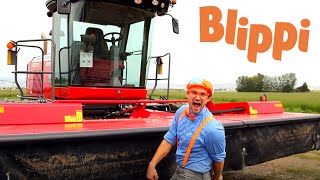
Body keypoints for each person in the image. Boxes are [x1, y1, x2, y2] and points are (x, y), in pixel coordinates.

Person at [146, 77, 226, 180]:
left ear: (208, 98)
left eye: (202, 94)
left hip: (197, 175)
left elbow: (219, 159)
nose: (197, 98)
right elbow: (169, 139)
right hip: (179, 170)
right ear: (187, 94)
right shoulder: (181, 112)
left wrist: (217, 177)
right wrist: (152, 165)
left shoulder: (213, 128)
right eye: (194, 92)